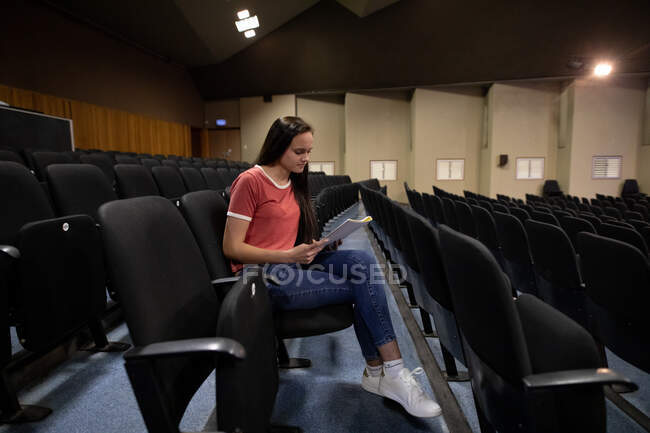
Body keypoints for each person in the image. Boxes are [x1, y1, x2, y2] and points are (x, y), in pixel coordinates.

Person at [223, 116, 441, 418]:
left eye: (309, 151)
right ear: (278, 147)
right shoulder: (251, 182)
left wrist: (319, 245)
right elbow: (232, 248)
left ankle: (380, 373)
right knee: (359, 283)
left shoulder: (293, 181)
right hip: (262, 278)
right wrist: (289, 256)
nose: (306, 158)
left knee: (363, 262)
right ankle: (388, 371)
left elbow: (287, 236)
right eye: (299, 151)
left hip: (292, 263)